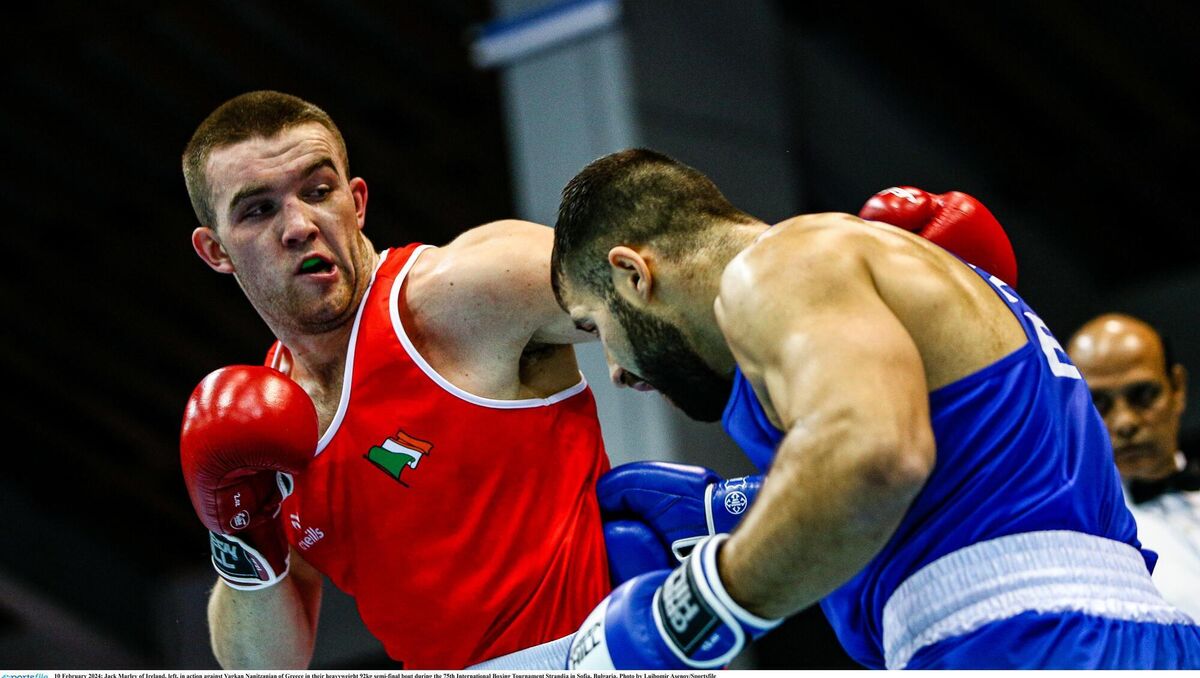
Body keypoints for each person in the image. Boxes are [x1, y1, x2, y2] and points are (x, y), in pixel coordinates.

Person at [549, 148, 1200, 669]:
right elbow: (981, 469)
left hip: (1019, 644)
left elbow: (876, 457)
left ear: (633, 273)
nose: (615, 369)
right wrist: (746, 507)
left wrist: (693, 610)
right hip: (1141, 638)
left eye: (593, 325)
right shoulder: (895, 271)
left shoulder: (778, 265)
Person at [177, 91, 614, 669]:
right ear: (215, 250)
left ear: (356, 202)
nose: (300, 226)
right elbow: (264, 666)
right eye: (258, 210)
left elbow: (670, 276)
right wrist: (238, 532)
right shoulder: (269, 428)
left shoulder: (459, 293)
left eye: (318, 191)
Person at [1068, 313, 1200, 620]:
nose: (1125, 422)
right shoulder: (1078, 539)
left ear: (1177, 388)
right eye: (1099, 404)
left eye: (1142, 395)